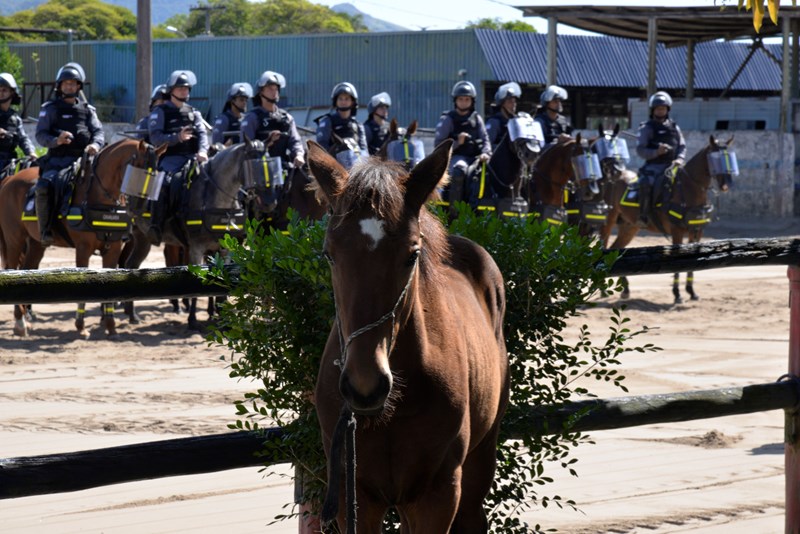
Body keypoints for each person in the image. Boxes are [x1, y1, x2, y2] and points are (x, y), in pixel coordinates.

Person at [35, 62, 104, 246]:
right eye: (66, 83)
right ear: (59, 86)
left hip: (84, 161)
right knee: (43, 186)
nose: (69, 86)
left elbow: (98, 132)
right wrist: (56, 140)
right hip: (57, 162)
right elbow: (40, 135)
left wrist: (95, 145)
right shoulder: (50, 108)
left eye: (73, 83)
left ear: (79, 86)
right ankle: (46, 230)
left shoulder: (88, 110)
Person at [147, 69, 209, 244]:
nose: (184, 91)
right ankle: (156, 226)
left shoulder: (194, 112)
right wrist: (177, 138)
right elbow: (156, 138)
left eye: (186, 88)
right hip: (170, 160)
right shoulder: (160, 111)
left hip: (193, 158)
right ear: (171, 90)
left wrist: (203, 151)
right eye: (180, 88)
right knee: (164, 183)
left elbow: (202, 135)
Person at [433, 80, 491, 205]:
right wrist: (457, 143)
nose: (464, 102)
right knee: (460, 169)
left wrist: (486, 153)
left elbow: (485, 139)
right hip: (456, 157)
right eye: (461, 99)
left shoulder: (477, 118)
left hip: (476, 158)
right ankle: (456, 210)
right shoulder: (448, 119)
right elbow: (438, 146)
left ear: (472, 101)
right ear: (455, 101)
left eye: (467, 99)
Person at [636, 90, 686, 224]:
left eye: (663, 108)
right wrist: (656, 152)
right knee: (645, 184)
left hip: (673, 165)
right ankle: (644, 216)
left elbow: (682, 146)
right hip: (654, 167)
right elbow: (640, 150)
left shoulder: (675, 127)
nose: (660, 111)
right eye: (658, 108)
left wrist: (679, 159)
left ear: (667, 109)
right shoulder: (647, 128)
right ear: (653, 110)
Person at [240, 71, 305, 170]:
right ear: (261, 92)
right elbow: (245, 148)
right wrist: (267, 142)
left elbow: (295, 141)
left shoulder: (287, 118)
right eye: (270, 88)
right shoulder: (252, 118)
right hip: (259, 171)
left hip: (284, 168)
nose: (274, 92)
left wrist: (299, 154)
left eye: (276, 89)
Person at [315, 82, 367, 159]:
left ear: (352, 102)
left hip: (355, 166)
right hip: (333, 165)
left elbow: (364, 151)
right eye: (340, 99)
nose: (343, 102)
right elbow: (322, 147)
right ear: (335, 101)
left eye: (346, 99)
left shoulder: (358, 125)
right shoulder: (327, 122)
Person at [0, 72, 36, 176]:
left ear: (12, 93)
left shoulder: (15, 119)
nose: (1, 93)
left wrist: (31, 152)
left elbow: (23, 138)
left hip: (11, 161)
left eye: (4, 90)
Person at [211, 82, 253, 147]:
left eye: (246, 100)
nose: (244, 103)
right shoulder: (223, 119)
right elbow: (216, 146)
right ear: (232, 101)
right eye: (241, 100)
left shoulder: (246, 119)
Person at [486, 81, 522, 150]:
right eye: (509, 102)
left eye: (514, 101)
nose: (513, 105)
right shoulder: (494, 122)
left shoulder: (517, 122)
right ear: (502, 104)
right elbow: (487, 145)